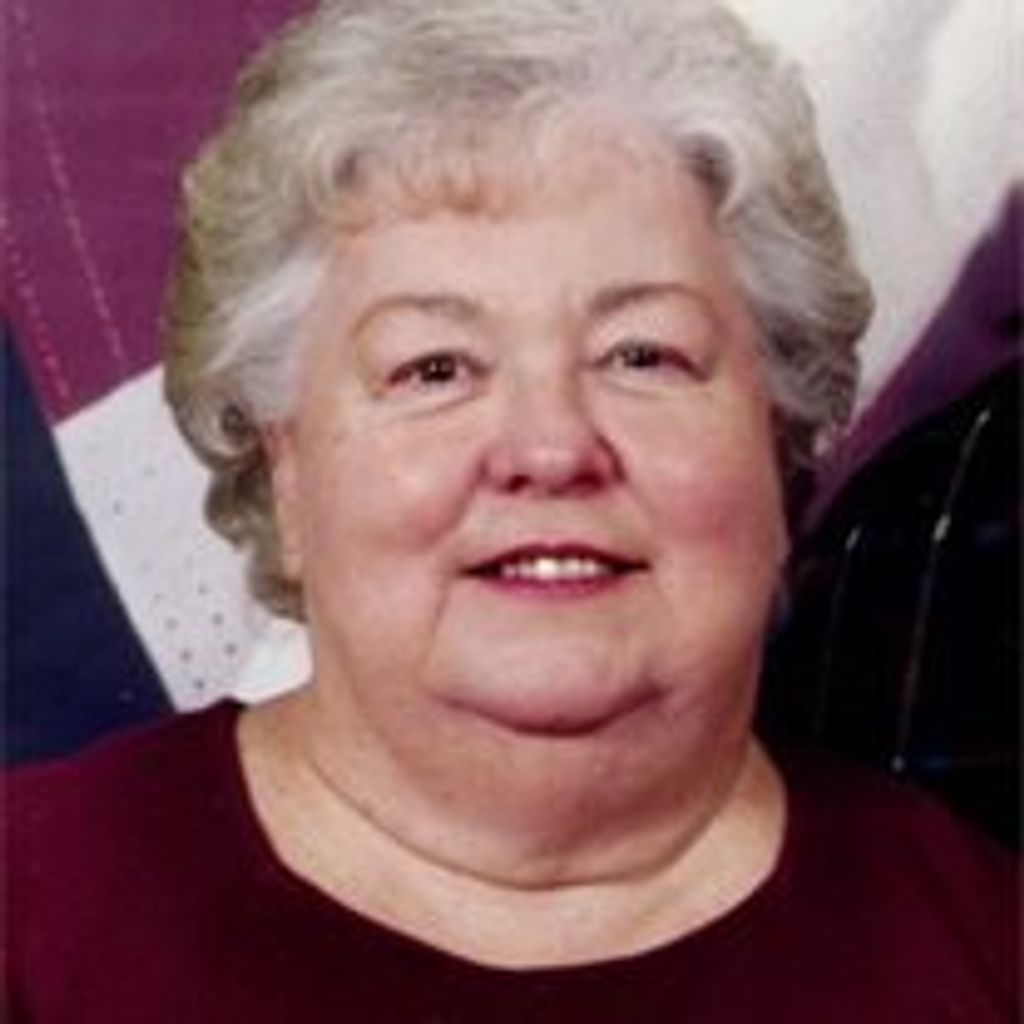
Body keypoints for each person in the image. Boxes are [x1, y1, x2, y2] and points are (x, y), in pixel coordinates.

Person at [6, 1, 1015, 1020]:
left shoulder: (984, 950)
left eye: (642, 355)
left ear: (780, 432)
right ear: (286, 470)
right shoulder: (32, 919)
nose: (550, 448)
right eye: (435, 368)